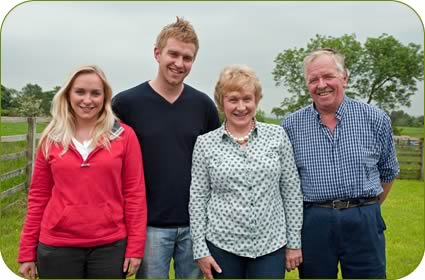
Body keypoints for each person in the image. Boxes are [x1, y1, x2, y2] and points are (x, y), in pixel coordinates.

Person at [112, 17, 220, 279]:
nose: (179, 63)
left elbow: (217, 163)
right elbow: (110, 164)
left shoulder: (203, 106)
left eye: (187, 58)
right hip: (148, 226)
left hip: (195, 225)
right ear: (157, 53)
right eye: (173, 54)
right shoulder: (126, 104)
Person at [17, 65, 147, 280]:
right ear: (68, 94)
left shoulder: (124, 136)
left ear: (104, 97)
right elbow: (38, 196)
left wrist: (135, 247)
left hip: (110, 246)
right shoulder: (51, 138)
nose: (87, 100)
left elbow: (134, 194)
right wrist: (27, 251)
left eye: (95, 93)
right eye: (80, 92)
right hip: (58, 246)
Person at [282, 48, 400, 279]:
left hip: (364, 218)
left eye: (328, 76)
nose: (321, 84)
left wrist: (366, 208)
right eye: (313, 79)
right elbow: (287, 182)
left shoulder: (375, 118)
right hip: (314, 221)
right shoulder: (291, 125)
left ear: (344, 78)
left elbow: (388, 171)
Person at [189, 65, 303, 279]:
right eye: (233, 99)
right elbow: (198, 197)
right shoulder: (205, 144)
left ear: (256, 100)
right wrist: (200, 250)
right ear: (221, 102)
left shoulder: (277, 136)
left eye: (247, 99)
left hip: (270, 245)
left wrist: (294, 243)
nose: (241, 107)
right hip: (222, 246)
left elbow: (291, 191)